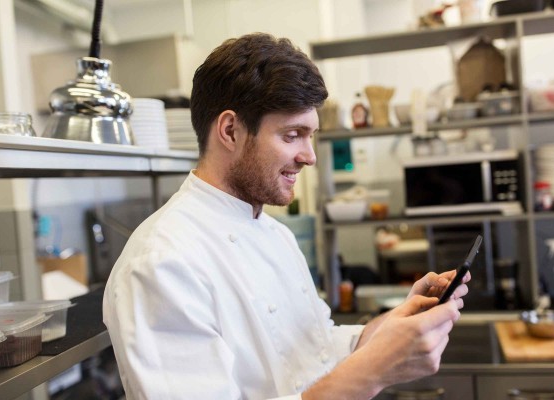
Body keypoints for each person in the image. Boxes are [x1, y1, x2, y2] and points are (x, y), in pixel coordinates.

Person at [103, 32, 470, 400]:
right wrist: (374, 371)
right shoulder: (161, 264)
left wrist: (393, 326)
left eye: (310, 136)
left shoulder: (277, 235)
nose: (309, 156)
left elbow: (318, 348)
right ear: (230, 131)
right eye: (293, 134)